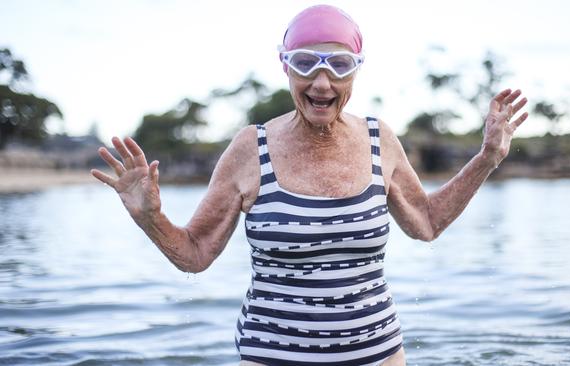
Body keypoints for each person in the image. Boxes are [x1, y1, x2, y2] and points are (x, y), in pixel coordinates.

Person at [91, 4, 528, 366]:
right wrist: (150, 218)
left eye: (339, 65)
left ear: (356, 71)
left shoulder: (380, 140)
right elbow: (196, 254)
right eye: (306, 63)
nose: (322, 82)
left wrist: (486, 158)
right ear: (285, 65)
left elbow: (426, 224)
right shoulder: (250, 148)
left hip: (378, 355)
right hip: (273, 355)